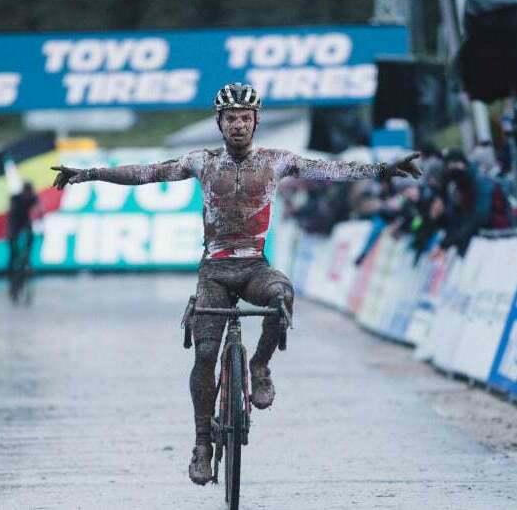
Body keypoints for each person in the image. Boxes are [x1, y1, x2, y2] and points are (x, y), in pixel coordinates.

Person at [51, 83, 421, 485]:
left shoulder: (277, 161)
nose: (239, 125)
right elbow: (148, 172)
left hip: (254, 268)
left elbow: (332, 170)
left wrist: (384, 169)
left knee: (282, 295)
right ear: (220, 123)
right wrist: (88, 174)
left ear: (256, 121)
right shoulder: (202, 162)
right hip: (214, 272)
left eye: (246, 118)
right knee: (205, 356)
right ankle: (203, 444)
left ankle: (260, 365)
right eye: (232, 119)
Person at [7, 181, 40, 295]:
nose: (28, 195)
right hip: (15, 226)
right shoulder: (15, 198)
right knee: (13, 255)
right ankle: (12, 280)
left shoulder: (33, 198)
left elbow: (39, 210)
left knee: (28, 245)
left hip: (26, 225)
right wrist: (11, 234)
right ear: (23, 192)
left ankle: (26, 262)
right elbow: (11, 216)